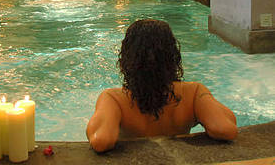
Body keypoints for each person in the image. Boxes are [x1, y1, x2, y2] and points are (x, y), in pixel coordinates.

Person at [86, 19, 237, 152]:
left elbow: (101, 141)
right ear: (173, 58)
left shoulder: (114, 99)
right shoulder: (194, 93)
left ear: (127, 59)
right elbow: (225, 128)